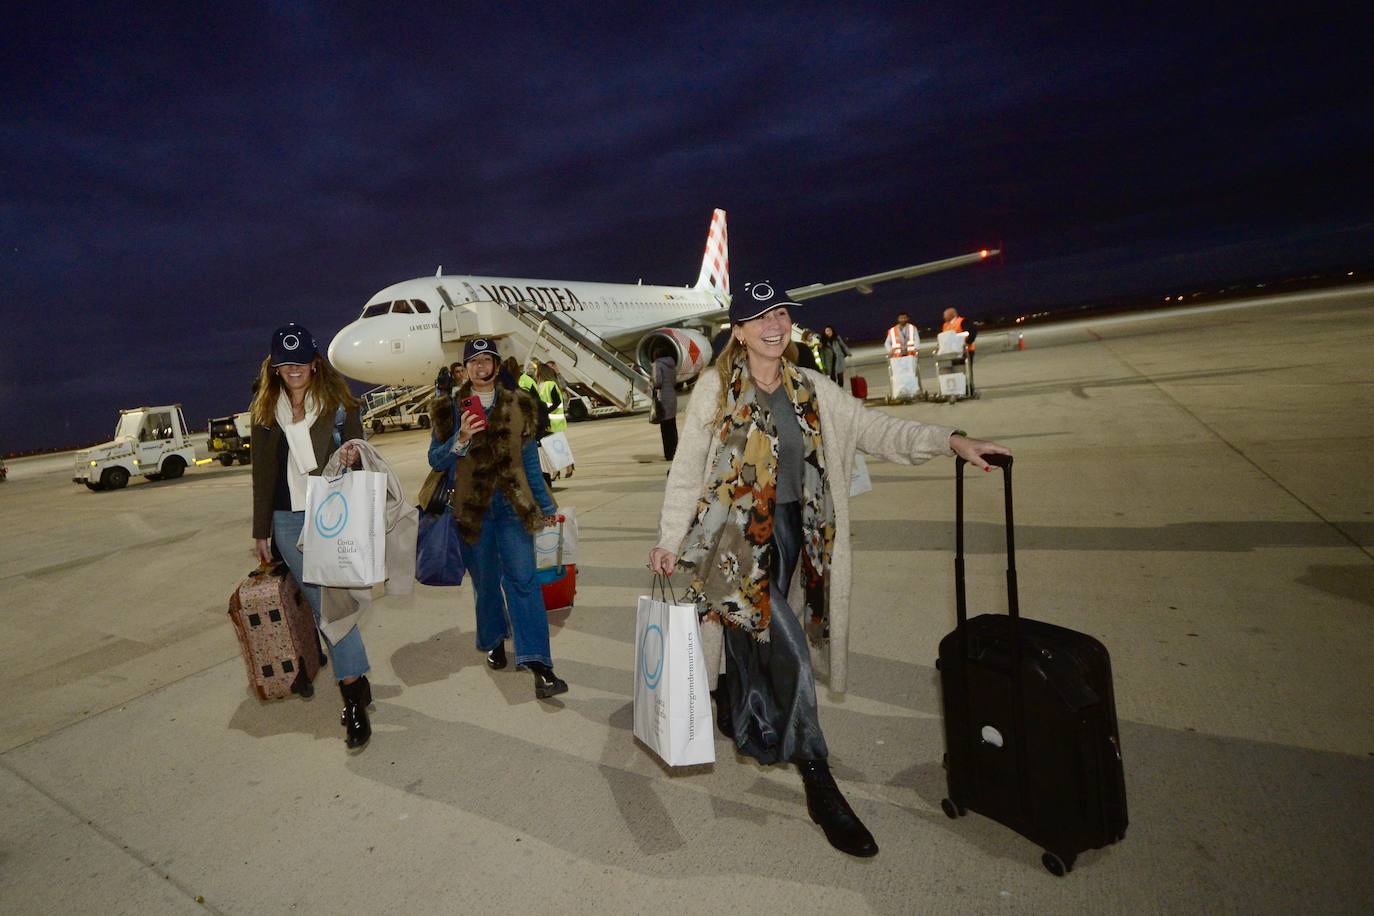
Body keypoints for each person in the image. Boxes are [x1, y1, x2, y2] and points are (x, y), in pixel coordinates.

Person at [648, 281, 1009, 858]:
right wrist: (669, 539)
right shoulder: (715, 390)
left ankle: (734, 699)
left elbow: (876, 430)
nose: (776, 324)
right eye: (761, 316)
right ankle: (819, 780)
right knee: (786, 649)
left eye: (783, 313)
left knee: (761, 644)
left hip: (797, 535)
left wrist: (951, 440)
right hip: (735, 545)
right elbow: (688, 473)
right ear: (737, 330)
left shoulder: (809, 387)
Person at [250, 323, 375, 749]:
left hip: (331, 513)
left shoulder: (339, 402)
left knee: (332, 606)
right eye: (285, 363)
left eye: (300, 361)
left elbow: (361, 450)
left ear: (314, 362)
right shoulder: (265, 410)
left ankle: (353, 697)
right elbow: (262, 475)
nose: (294, 370)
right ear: (275, 367)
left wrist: (354, 453)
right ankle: (356, 686)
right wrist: (260, 530)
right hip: (287, 520)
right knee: (327, 607)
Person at [428, 338, 569, 700]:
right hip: (473, 512)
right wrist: (460, 439)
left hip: (511, 506)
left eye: (485, 359)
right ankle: (492, 639)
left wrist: (547, 506)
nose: (479, 367)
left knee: (523, 581)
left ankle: (539, 664)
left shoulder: (520, 404)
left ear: (495, 363)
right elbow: (436, 461)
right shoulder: (447, 408)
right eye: (472, 361)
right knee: (487, 584)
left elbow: (531, 463)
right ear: (464, 368)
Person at [942, 307, 977, 394]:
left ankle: (969, 388)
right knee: (957, 370)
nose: (943, 317)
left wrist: (968, 342)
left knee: (966, 370)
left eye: (945, 315)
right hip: (953, 352)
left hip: (966, 351)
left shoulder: (962, 321)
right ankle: (960, 388)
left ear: (951, 314)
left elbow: (973, 331)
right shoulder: (945, 325)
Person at [652, 350, 678, 461]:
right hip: (672, 395)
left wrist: (652, 382)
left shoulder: (657, 364)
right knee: (672, 426)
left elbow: (658, 381)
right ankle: (676, 451)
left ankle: (669, 453)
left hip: (663, 397)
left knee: (665, 428)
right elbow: (674, 381)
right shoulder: (672, 364)